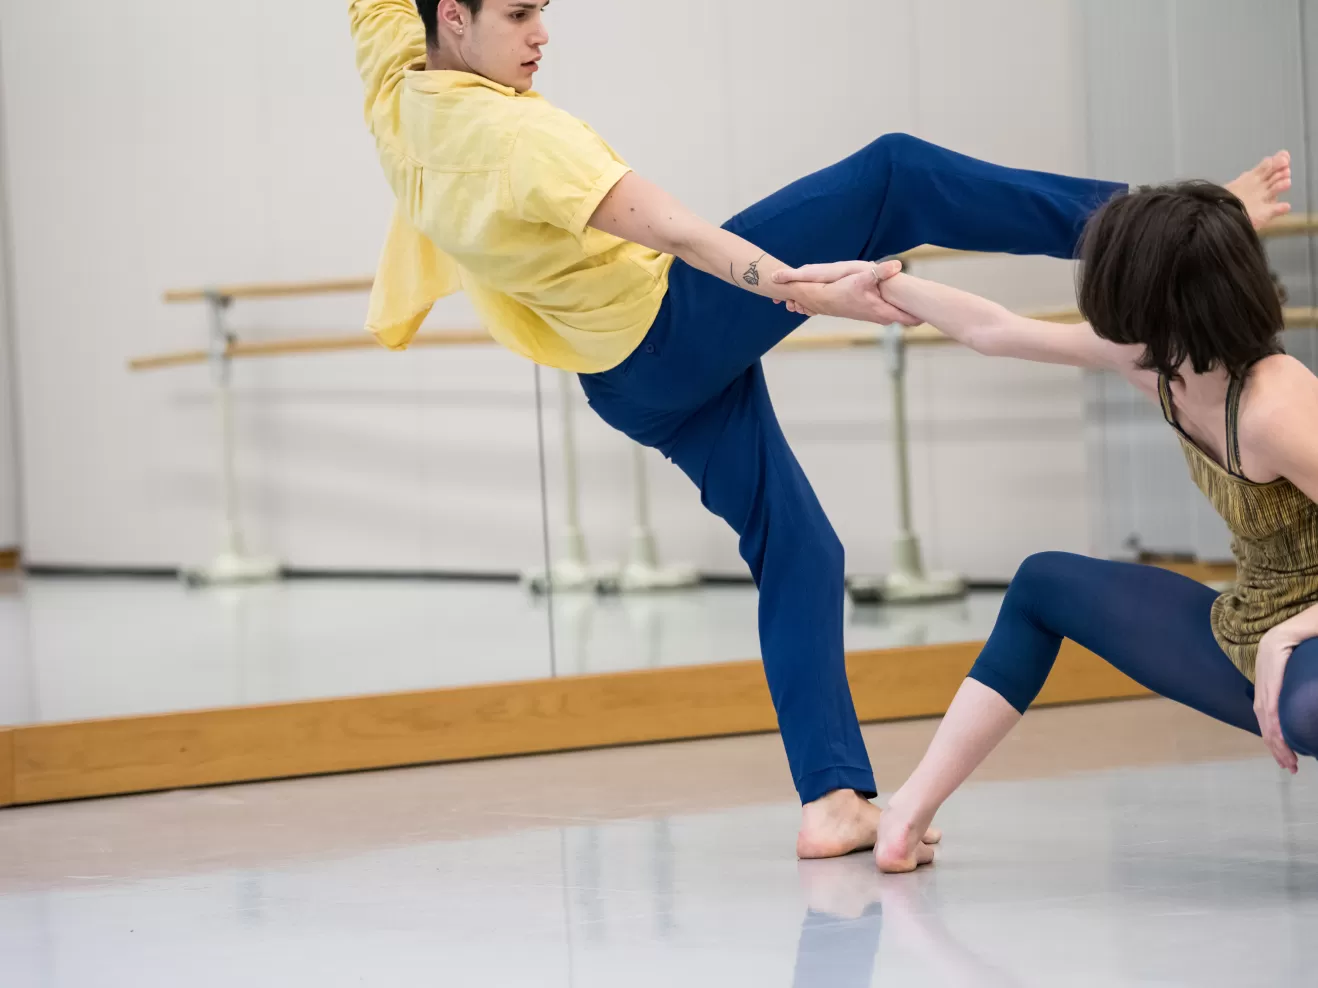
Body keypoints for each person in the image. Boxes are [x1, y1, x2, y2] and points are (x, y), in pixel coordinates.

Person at [348, 0, 1293, 859]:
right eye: (519, 16)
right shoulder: (517, 140)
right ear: (454, 18)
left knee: (800, 549)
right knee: (894, 174)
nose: (542, 35)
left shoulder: (397, 85)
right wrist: (809, 289)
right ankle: (1165, 232)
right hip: (673, 325)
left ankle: (832, 801)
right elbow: (682, 235)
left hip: (619, 378)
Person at [777, 175, 1314, 873]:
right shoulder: (1161, 364)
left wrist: (1300, 630)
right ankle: (908, 812)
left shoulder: (1277, 406)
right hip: (1249, 634)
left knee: (1307, 711)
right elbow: (994, 330)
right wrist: (882, 282)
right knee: (1042, 586)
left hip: (1300, 657)